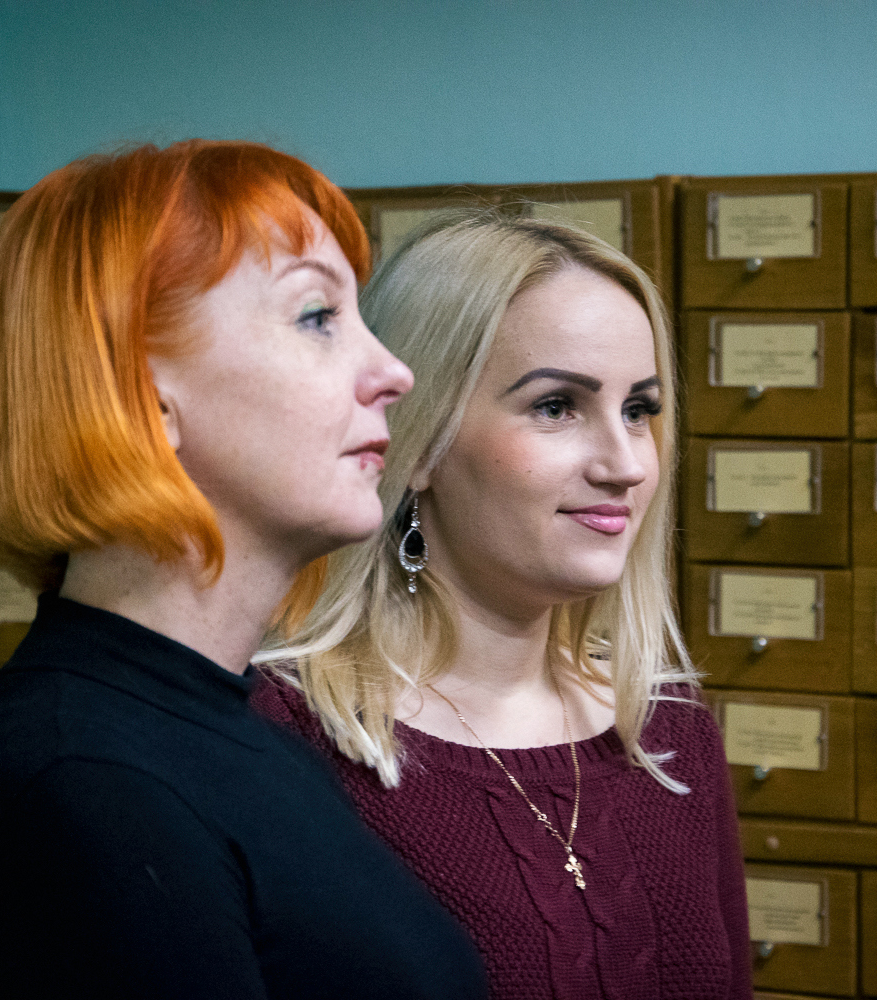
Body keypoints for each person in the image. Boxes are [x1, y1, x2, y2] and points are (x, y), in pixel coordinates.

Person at [0, 141, 487, 1000]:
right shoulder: (83, 790)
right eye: (317, 316)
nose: (395, 372)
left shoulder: (238, 736)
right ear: (144, 398)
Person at [254, 212, 751, 999]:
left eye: (639, 410)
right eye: (557, 406)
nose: (625, 465)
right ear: (418, 440)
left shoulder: (669, 732)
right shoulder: (285, 742)